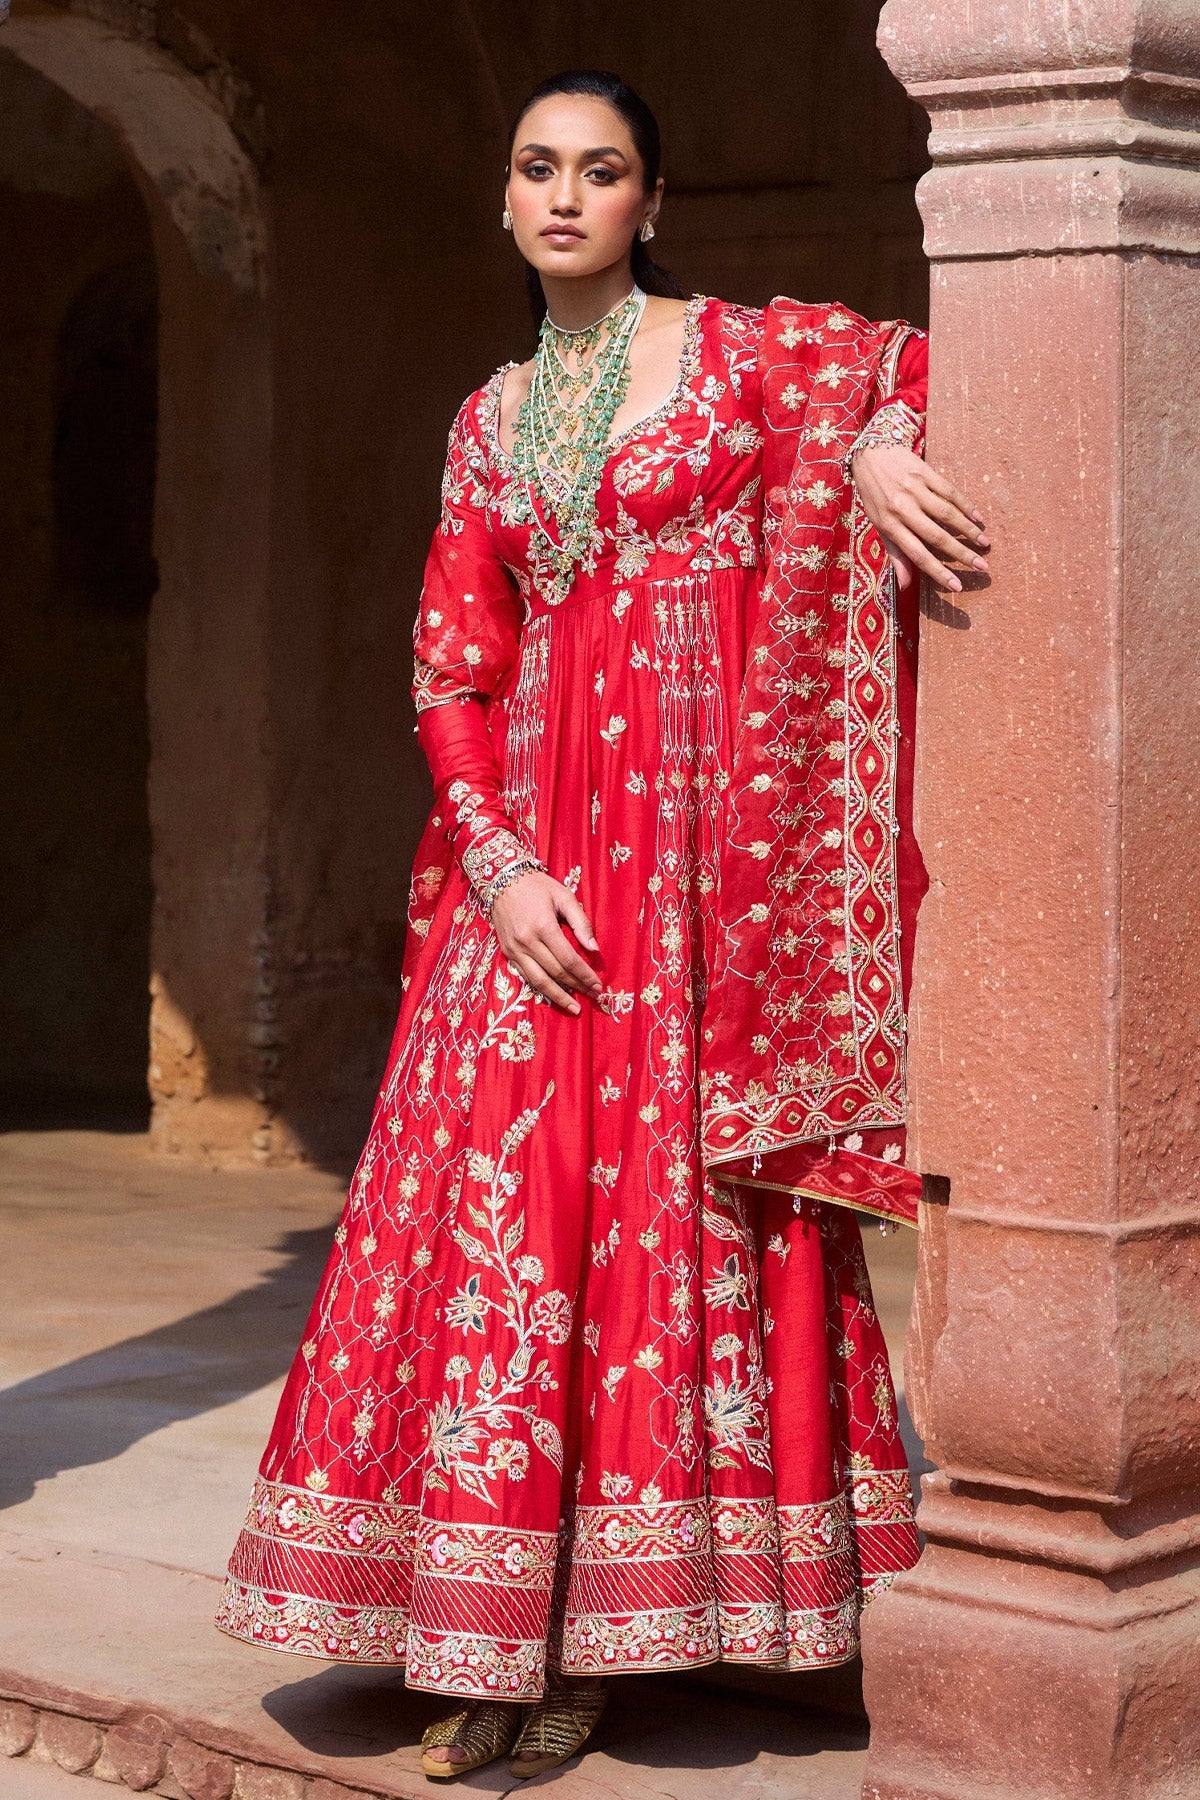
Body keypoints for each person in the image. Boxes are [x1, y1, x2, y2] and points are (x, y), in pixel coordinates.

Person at [216, 68, 988, 1782]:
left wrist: (867, 452)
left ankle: (601, 1642)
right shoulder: (487, 421)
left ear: (654, 200)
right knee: (504, 1218)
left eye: (605, 170)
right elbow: (452, 669)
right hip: (540, 867)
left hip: (706, 868)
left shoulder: (736, 353)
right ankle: (488, 1636)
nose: (567, 195)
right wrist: (495, 863)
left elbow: (905, 371)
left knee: (661, 1220)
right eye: (539, 168)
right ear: (504, 200)